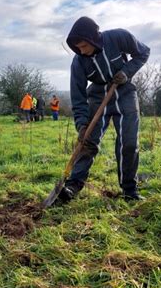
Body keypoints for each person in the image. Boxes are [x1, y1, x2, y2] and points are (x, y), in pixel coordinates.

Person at [57, 16, 150, 204]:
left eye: (84, 46)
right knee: (87, 142)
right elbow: (78, 97)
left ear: (93, 39)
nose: (81, 52)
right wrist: (82, 125)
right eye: (77, 48)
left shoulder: (119, 37)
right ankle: (73, 186)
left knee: (129, 143)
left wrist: (126, 72)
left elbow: (143, 52)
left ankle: (129, 191)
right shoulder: (79, 62)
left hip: (125, 94)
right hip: (98, 97)